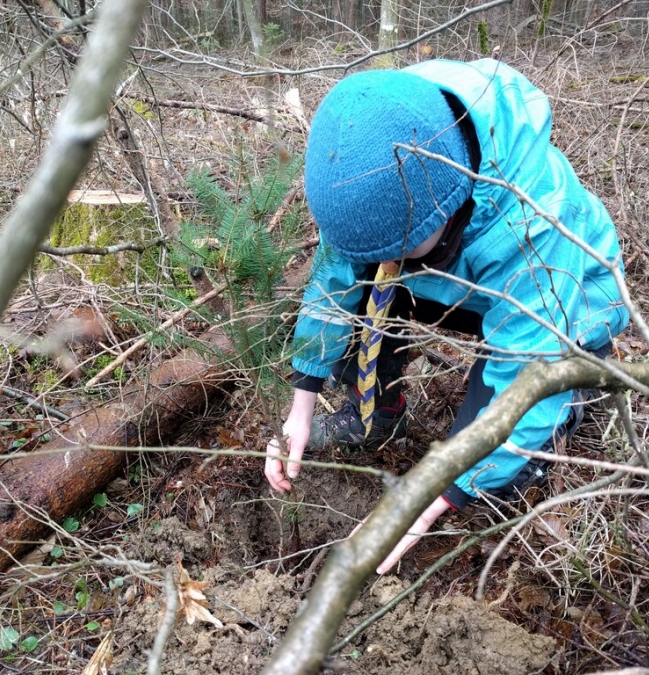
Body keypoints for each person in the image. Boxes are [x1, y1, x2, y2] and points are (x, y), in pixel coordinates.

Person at [265, 58, 629, 573]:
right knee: (370, 282)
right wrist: (300, 407)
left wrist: (435, 495)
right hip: (456, 279)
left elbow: (528, 371)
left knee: (503, 459)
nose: (387, 261)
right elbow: (333, 282)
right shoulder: (367, 166)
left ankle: (571, 400)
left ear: (449, 202)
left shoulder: (533, 222)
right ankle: (376, 412)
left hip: (571, 308)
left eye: (400, 247)